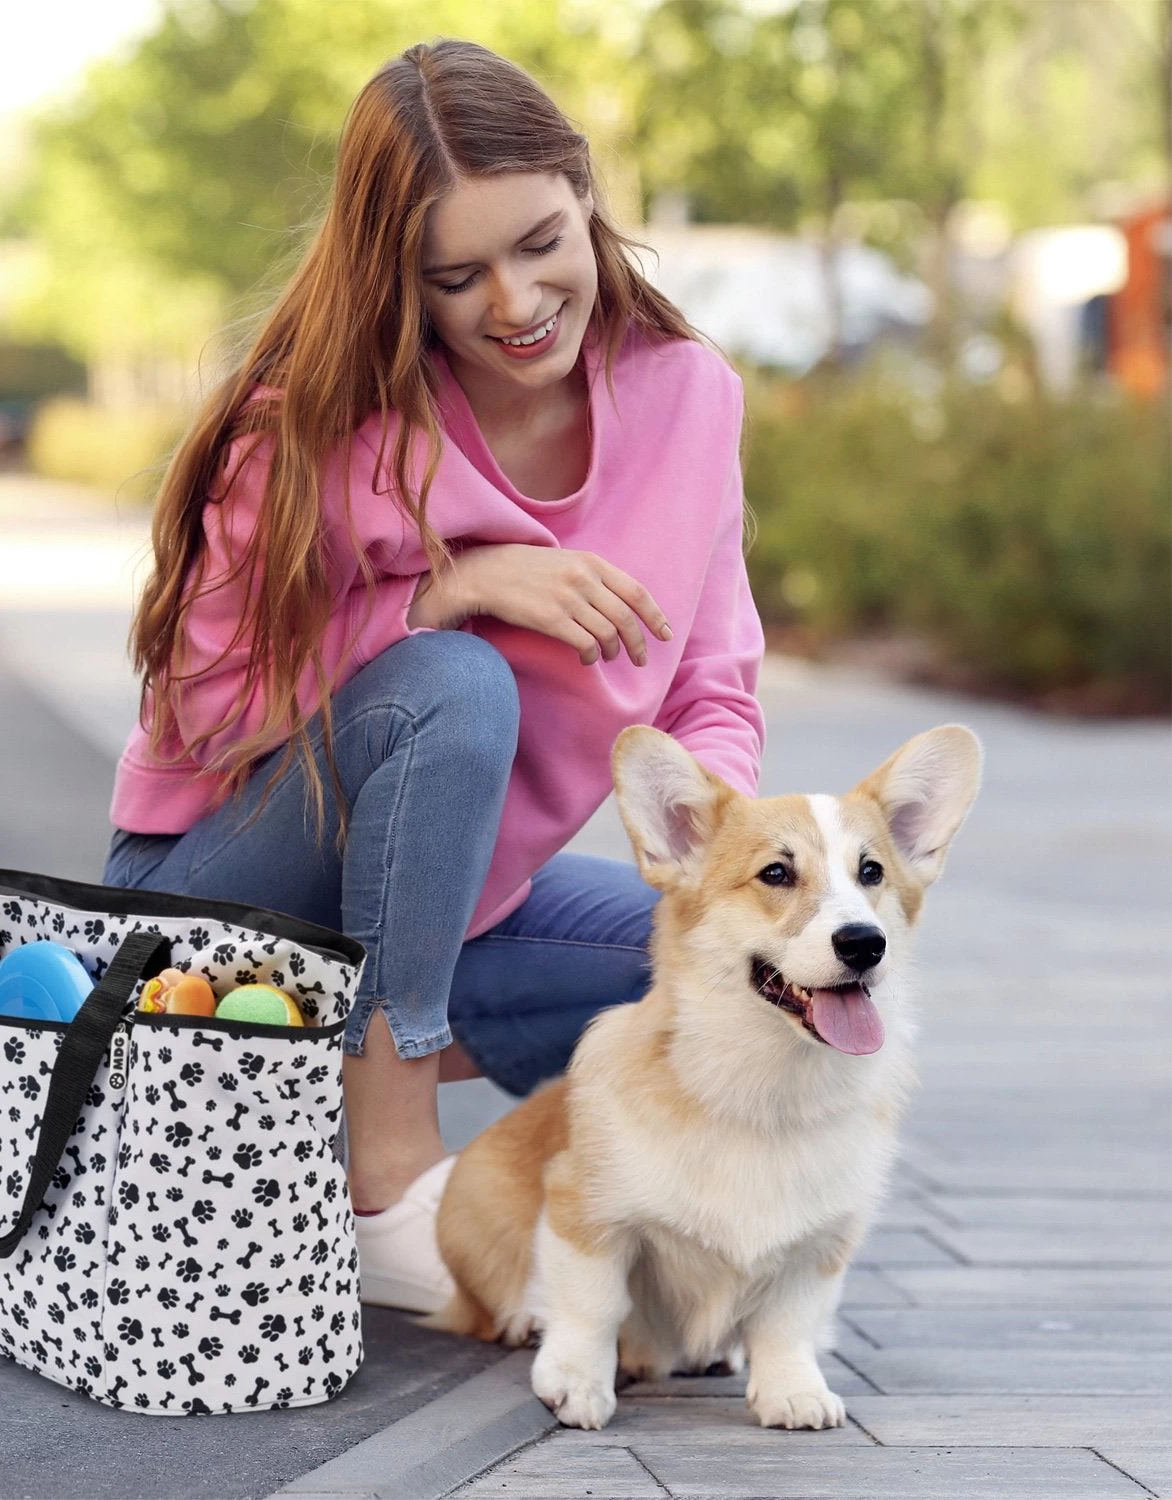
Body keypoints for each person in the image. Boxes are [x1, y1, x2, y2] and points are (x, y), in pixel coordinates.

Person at [102, 38, 765, 1315]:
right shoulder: (310, 426)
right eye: (456, 276)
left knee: (746, 961)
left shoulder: (689, 399)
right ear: (397, 278)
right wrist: (441, 590)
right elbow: (207, 707)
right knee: (458, 685)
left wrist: (715, 849)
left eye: (539, 243)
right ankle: (389, 1167)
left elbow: (712, 684)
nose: (513, 303)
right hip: (219, 890)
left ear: (586, 196)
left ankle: (301, 1077)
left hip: (453, 903)